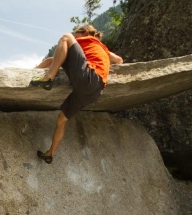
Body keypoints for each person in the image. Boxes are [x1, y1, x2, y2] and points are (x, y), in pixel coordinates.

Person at [31, 24, 124, 164]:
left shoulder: (86, 40)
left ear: (85, 32)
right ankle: (50, 153)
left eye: (77, 34)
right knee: (61, 119)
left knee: (65, 37)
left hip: (89, 77)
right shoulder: (101, 48)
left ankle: (48, 78)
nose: (75, 37)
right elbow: (120, 60)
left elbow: (56, 57)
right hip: (94, 91)